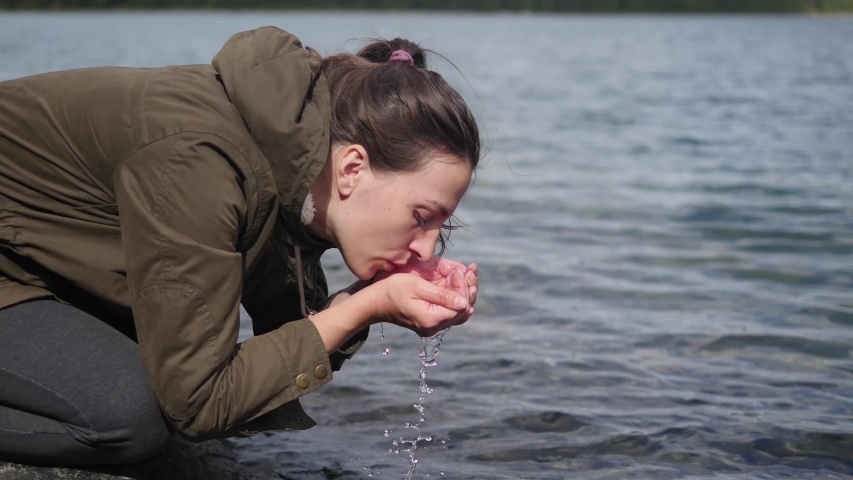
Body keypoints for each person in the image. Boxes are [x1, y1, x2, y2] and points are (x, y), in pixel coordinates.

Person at [0, 26, 480, 465]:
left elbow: (288, 328)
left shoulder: (290, 160)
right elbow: (199, 402)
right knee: (126, 417)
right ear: (353, 168)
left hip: (35, 262)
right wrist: (365, 306)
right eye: (421, 217)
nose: (427, 248)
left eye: (442, 227)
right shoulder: (201, 161)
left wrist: (368, 298)